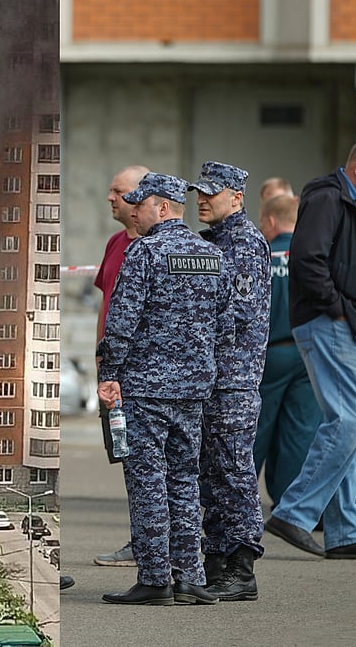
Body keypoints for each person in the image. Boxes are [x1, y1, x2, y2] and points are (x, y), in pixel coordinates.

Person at [263, 137, 356, 561]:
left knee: (352, 430)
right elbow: (308, 259)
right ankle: (293, 512)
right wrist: (339, 310)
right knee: (351, 420)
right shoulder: (328, 197)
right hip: (334, 327)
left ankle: (344, 531)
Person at [97, 172, 233, 605]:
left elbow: (121, 323)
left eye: (140, 204)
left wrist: (109, 373)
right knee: (184, 481)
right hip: (194, 390)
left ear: (164, 207)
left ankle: (155, 578)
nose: (133, 211)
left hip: (146, 390)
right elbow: (226, 326)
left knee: (148, 481)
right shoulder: (212, 255)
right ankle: (190, 575)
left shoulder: (146, 252)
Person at [188, 161, 269, 601]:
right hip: (214, 379)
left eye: (211, 193)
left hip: (233, 380)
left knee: (234, 471)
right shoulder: (217, 241)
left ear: (236, 198)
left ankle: (240, 567)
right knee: (215, 472)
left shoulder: (242, 243)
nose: (202, 200)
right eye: (199, 192)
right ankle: (218, 563)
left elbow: (234, 312)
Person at [91, 164, 150, 567]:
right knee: (127, 455)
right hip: (113, 371)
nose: (110, 198)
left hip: (142, 373)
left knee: (149, 461)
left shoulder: (156, 249)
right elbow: (106, 302)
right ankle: (142, 539)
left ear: (140, 199)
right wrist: (99, 355)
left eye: (118, 191)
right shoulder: (116, 243)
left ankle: (150, 544)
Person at [253, 194, 322, 512]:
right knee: (301, 432)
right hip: (308, 354)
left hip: (269, 354)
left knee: (255, 428)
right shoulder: (313, 255)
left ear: (269, 221)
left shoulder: (261, 256)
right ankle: (289, 506)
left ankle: (236, 503)